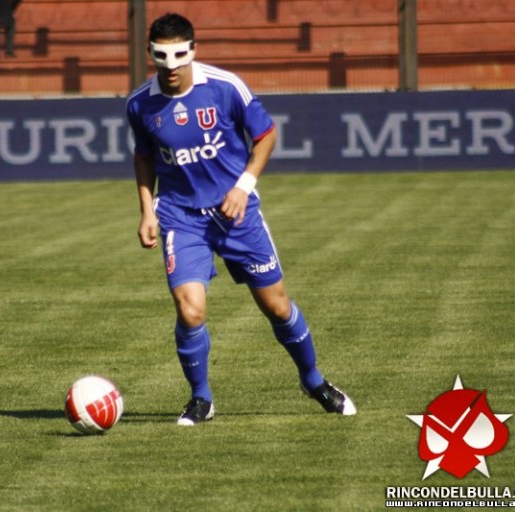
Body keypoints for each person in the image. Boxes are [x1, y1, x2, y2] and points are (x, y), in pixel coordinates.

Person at [126, 13, 356, 426]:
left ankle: (314, 380)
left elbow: (266, 135)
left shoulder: (226, 87)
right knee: (190, 309)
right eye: (163, 55)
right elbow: (143, 157)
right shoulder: (140, 104)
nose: (172, 63)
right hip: (181, 217)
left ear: (192, 50)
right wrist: (147, 210)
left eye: (180, 54)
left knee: (277, 306)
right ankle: (201, 399)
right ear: (152, 55)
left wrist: (243, 186)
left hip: (238, 215)